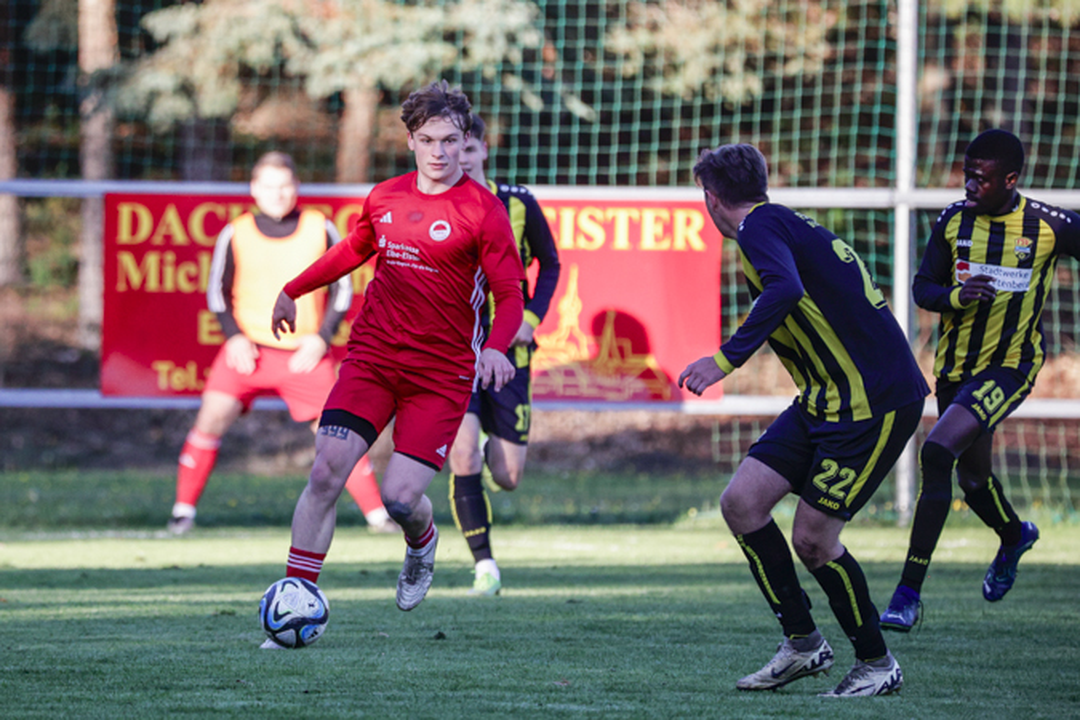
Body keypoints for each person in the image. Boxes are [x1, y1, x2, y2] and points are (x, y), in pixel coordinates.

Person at [267, 80, 525, 636]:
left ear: (465, 141)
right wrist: (294, 288)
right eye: (428, 140)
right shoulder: (384, 197)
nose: (440, 152)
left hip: (441, 375)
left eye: (451, 141)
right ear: (410, 140)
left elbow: (510, 294)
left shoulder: (484, 212)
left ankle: (422, 540)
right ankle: (295, 600)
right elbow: (352, 250)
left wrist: (496, 348)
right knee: (325, 470)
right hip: (373, 358)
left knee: (400, 499)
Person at [678, 144, 929, 697]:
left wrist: (723, 360)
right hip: (824, 400)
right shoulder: (781, 222)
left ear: (711, 198)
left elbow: (785, 289)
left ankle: (876, 663)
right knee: (742, 503)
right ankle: (802, 644)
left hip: (873, 403)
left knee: (813, 538)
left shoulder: (757, 228)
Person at [879, 129, 1079, 631]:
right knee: (972, 480)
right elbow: (923, 288)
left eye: (981, 178)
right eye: (967, 174)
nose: (970, 185)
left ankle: (907, 593)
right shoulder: (953, 220)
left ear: (1010, 180)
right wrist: (956, 296)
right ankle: (1014, 535)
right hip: (954, 370)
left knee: (935, 453)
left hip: (1010, 367)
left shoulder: (1048, 225)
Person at [166, 151, 394, 536]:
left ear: (296, 186)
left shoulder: (319, 227)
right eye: (269, 186)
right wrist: (234, 337)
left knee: (338, 434)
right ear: (254, 189)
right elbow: (217, 291)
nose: (277, 194)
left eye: (285, 185)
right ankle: (182, 513)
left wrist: (321, 339)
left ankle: (378, 517)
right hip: (249, 351)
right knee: (211, 418)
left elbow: (342, 289)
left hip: (304, 355)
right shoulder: (236, 231)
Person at [446, 115, 561, 597]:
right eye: (453, 149)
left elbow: (550, 264)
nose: (462, 158)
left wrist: (530, 319)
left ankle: (484, 459)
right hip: (455, 352)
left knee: (508, 476)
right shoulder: (432, 205)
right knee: (463, 453)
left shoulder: (517, 202)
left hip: (509, 352)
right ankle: (485, 565)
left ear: (484, 151)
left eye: (469, 149)